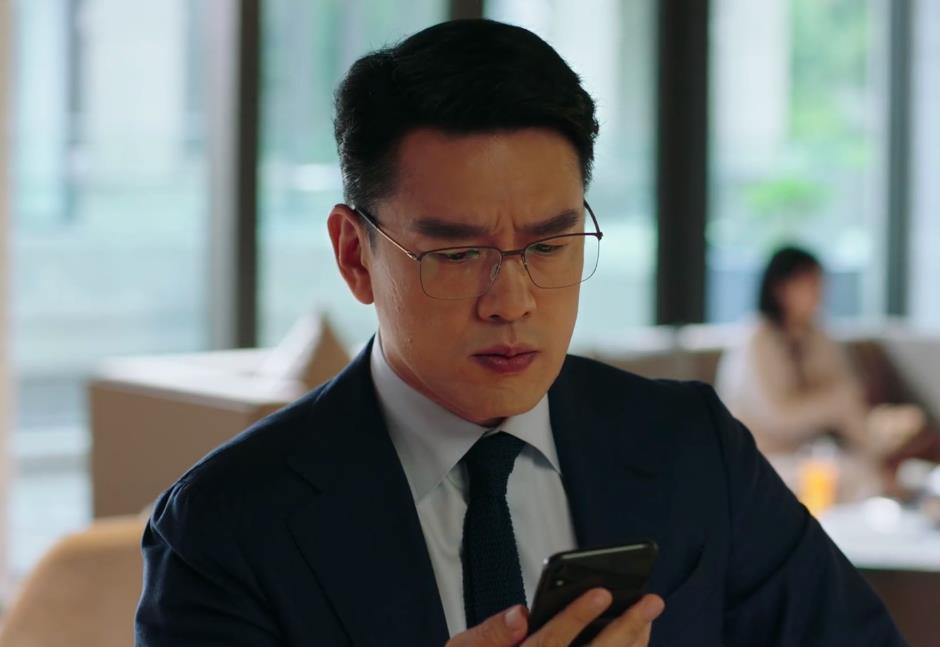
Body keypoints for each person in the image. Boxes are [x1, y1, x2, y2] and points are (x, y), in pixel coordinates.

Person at [136, 21, 905, 647]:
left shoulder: (691, 448)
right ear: (354, 255)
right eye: (457, 254)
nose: (511, 301)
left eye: (549, 245)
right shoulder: (223, 528)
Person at [716, 246, 924, 502]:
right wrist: (834, 402)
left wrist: (873, 445)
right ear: (781, 288)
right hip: (761, 456)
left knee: (863, 472)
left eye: (820, 283)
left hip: (808, 453)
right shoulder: (756, 339)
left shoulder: (816, 334)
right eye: (810, 283)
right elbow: (780, 416)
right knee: (852, 478)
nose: (819, 293)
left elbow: (847, 393)